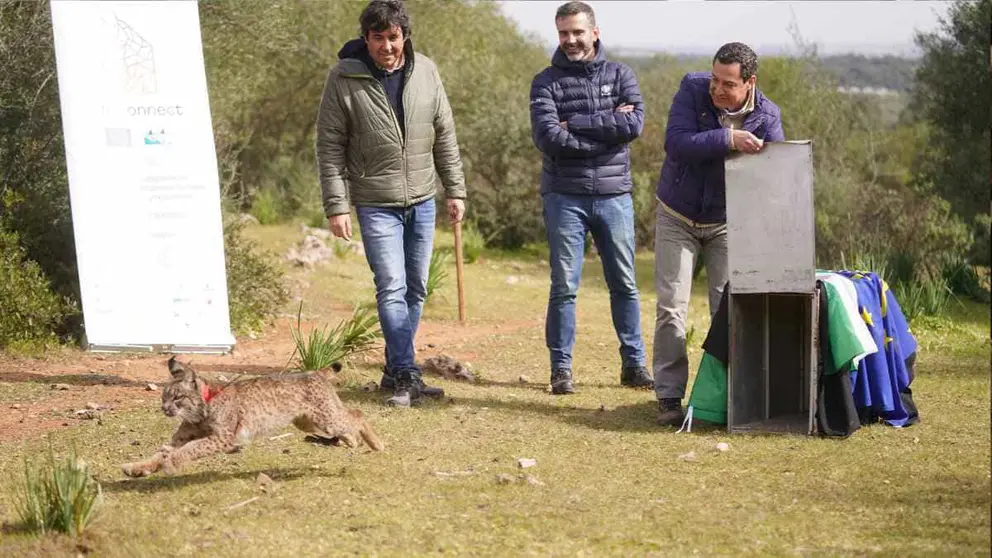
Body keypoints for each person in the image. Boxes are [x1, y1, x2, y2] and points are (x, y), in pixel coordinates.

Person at [315, 0, 466, 407]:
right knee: (392, 286)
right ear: (366, 39)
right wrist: (337, 205)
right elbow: (329, 146)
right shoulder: (344, 77)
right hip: (375, 201)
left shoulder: (426, 71)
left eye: (393, 37)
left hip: (423, 199)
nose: (386, 46)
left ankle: (394, 370)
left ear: (405, 36)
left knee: (416, 288)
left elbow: (445, 134)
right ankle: (405, 371)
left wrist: (455, 190)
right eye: (378, 37)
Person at [653, 42, 784, 425]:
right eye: (715, 79)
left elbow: (774, 177)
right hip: (676, 215)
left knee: (727, 311)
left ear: (750, 83)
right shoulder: (692, 89)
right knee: (671, 308)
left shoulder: (768, 117)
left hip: (728, 223)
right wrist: (729, 139)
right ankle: (668, 398)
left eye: (728, 83)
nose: (717, 89)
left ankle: (726, 399)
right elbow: (676, 144)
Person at [529, 1, 652, 395]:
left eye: (577, 32)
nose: (570, 40)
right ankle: (561, 370)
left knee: (625, 283)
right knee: (564, 286)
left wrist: (578, 124)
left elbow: (633, 124)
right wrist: (605, 140)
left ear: (594, 33)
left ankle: (634, 365)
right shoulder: (545, 82)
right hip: (564, 196)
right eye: (563, 33)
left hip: (614, 196)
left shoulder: (621, 74)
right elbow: (548, 137)